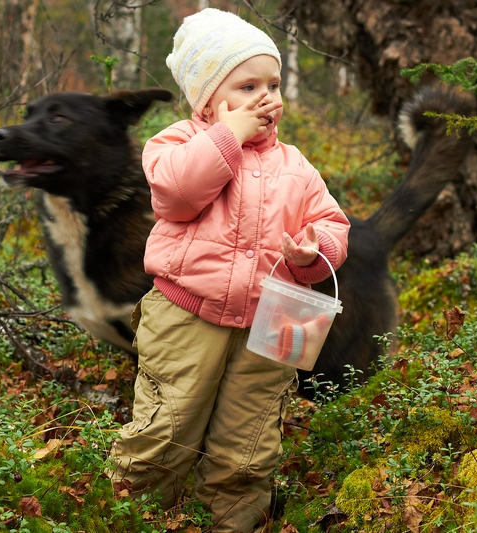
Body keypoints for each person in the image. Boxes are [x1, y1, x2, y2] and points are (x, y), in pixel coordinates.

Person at [109, 8, 350, 533]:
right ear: (206, 98)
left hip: (273, 322)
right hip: (185, 315)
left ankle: (234, 520)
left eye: (273, 83)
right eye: (246, 86)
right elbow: (177, 193)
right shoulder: (174, 144)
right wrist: (228, 136)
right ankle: (140, 515)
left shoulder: (295, 165)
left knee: (249, 442)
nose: (266, 96)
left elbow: (332, 222)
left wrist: (313, 252)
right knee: (167, 426)